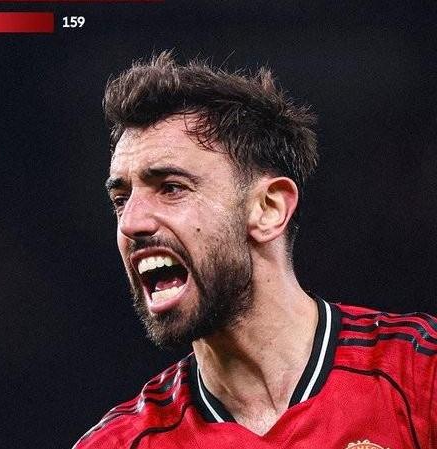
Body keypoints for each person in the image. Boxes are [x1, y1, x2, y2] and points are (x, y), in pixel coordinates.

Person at [73, 51, 436, 449]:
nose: (130, 223)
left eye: (171, 188)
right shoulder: (119, 444)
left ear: (268, 209)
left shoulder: (420, 377)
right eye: (121, 199)